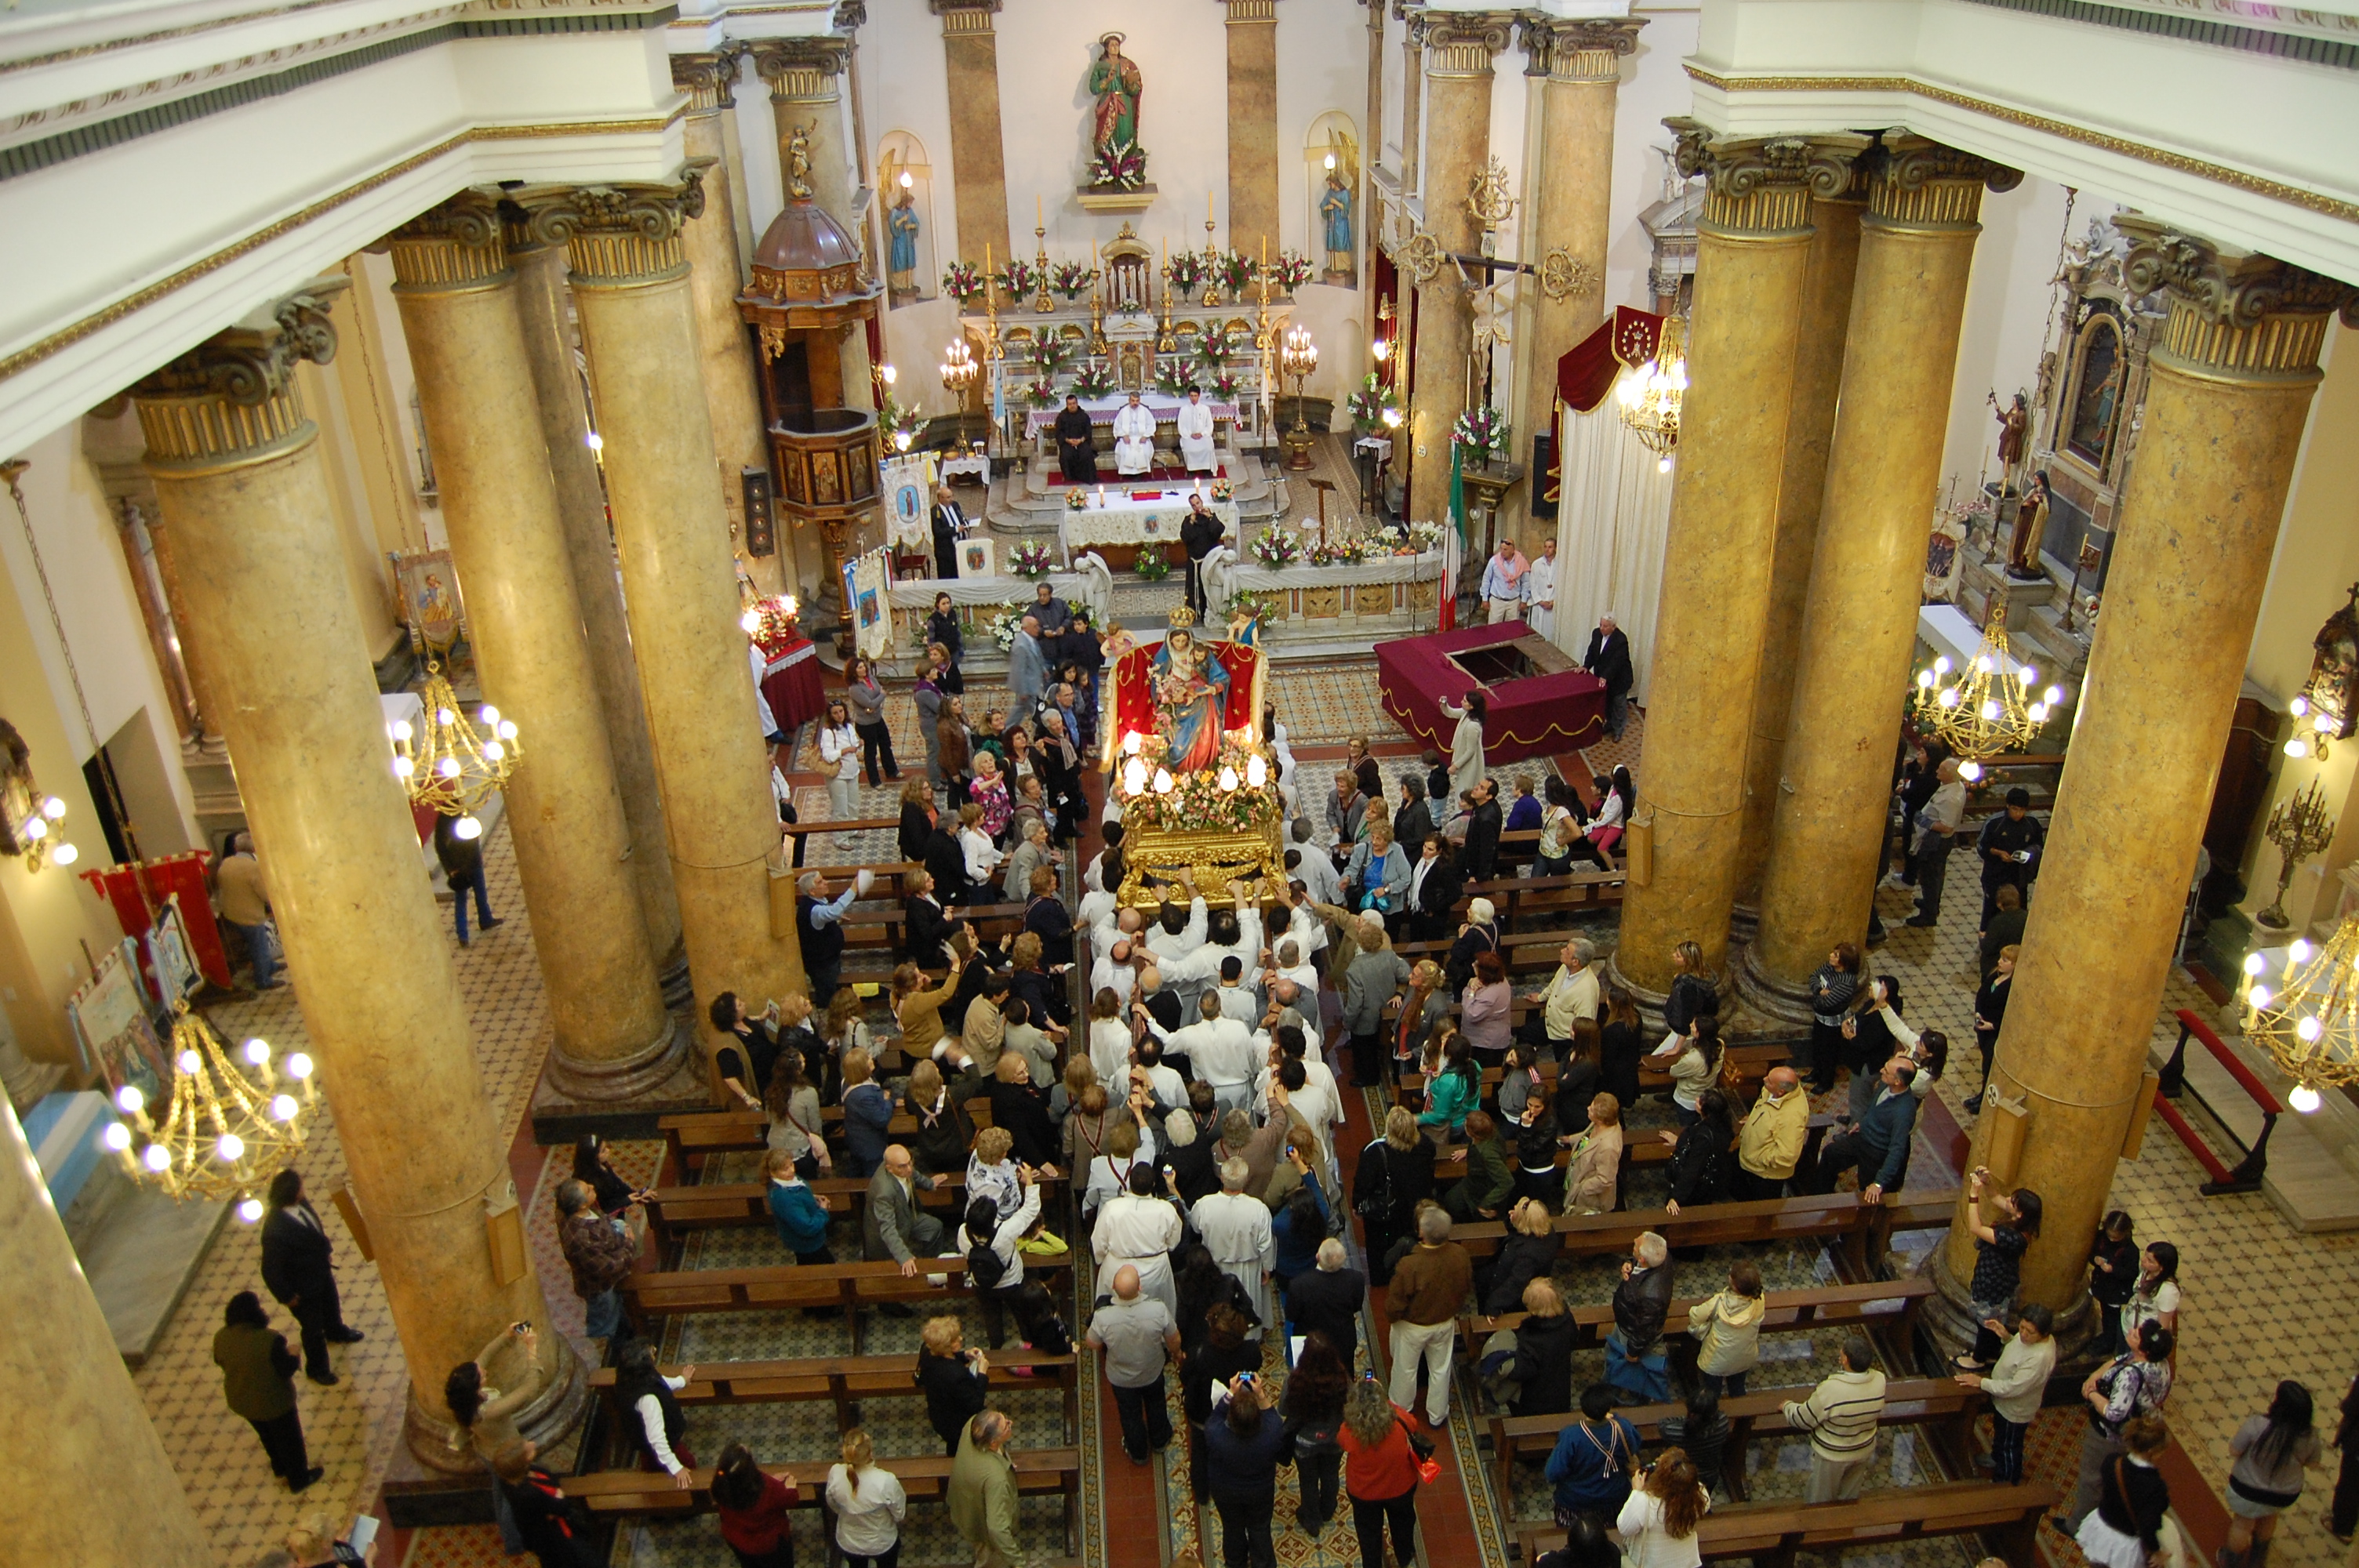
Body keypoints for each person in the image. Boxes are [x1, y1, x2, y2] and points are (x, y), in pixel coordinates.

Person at [2068, 1322, 2176, 1532]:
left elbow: (2114, 1413)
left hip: (2110, 1435)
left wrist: (2091, 1393)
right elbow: (2118, 1360)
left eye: (2138, 1335)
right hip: (2138, 1428)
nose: (2133, 1331)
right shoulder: (2160, 1363)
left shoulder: (2131, 1376)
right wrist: (2095, 1377)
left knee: (2092, 1479)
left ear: (2144, 1351)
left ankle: (2078, 1526)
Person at [261, 1169, 362, 1382]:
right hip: (303, 1289)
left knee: (332, 1305)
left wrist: (324, 1252)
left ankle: (336, 1332)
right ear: (291, 1193)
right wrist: (287, 1296)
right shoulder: (275, 1232)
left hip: (320, 1272)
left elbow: (313, 1230)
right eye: (300, 1186)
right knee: (313, 1330)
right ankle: (317, 1369)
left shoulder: (302, 1203)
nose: (304, 1188)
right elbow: (270, 1270)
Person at [214, 1290, 322, 1490]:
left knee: (267, 1435)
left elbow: (220, 1361)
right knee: (289, 1441)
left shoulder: (221, 1337)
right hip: (273, 1402)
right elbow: (286, 1369)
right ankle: (299, 1479)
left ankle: (279, 1467)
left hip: (241, 1399)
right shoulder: (270, 1340)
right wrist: (294, 1354)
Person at [1387, 1205, 1473, 1427]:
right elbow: (1465, 1287)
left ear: (1421, 1232)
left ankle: (1401, 1413)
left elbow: (1395, 1301)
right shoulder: (1460, 1255)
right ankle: (1437, 1415)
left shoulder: (1410, 1264)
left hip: (1412, 1326)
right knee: (1441, 1370)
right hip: (1444, 1322)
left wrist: (1393, 1317)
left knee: (1405, 1370)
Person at [1089, 1262, 1181, 1465]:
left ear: (1114, 1289)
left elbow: (1093, 1343)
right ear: (1140, 1287)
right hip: (1152, 1371)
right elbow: (1173, 1338)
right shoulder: (1157, 1309)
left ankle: (1138, 1451)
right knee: (1156, 1404)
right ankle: (1160, 1439)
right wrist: (1176, 1353)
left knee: (1130, 1414)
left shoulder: (1103, 1317)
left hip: (1121, 1377)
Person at [1956, 1302, 2055, 1485]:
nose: (2023, 1334)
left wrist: (1981, 1382)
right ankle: (1996, 1457)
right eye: (2022, 1327)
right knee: (2001, 1437)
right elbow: (2018, 1350)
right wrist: (2006, 1337)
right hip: (2003, 1403)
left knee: (2010, 1446)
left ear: (2044, 1333)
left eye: (2030, 1332)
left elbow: (2013, 1388)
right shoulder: (2028, 1340)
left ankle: (2006, 1481)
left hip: (2015, 1410)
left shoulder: (2040, 1358)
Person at [1955, 1169, 2041, 1371]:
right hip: (1993, 1276)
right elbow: (1995, 1197)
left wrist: (1974, 1195)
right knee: (1990, 1323)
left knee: (1986, 1324)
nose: (2008, 1201)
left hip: (1994, 1284)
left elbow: (1976, 1228)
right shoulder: (2018, 1221)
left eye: (2013, 1202)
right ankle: (1991, 1354)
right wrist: (1987, 1182)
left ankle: (1978, 1359)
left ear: (2020, 1214)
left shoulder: (2015, 1238)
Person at [1785, 1335, 1886, 1501]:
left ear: (1845, 1359)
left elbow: (1804, 1419)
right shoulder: (1880, 1380)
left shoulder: (1832, 1389)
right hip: (1863, 1449)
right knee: (1849, 1498)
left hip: (1833, 1455)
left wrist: (1787, 1407)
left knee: (1821, 1499)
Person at [1205, 1373, 1291, 1568]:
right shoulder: (1272, 1433)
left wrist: (1230, 1393)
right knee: (1259, 1528)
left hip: (1225, 1490)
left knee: (1232, 1527)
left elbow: (1214, 1418)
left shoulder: (1216, 1435)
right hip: (1259, 1490)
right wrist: (1260, 1394)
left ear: (1231, 1419)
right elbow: (1273, 1417)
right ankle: (1263, 1564)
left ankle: (1235, 1563)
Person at [1339, 1377, 1424, 1568]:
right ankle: (1404, 1557)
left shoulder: (1349, 1431)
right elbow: (1413, 1423)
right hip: (1400, 1487)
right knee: (1403, 1526)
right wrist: (1388, 1403)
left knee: (1368, 1534)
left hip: (1364, 1493)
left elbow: (1342, 1443)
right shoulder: (1399, 1421)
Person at [1806, 1054, 1917, 1203]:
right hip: (1863, 1137)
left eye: (1886, 1071)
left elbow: (1897, 1150)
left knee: (1869, 1193)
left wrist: (1879, 1183)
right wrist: (1863, 1123)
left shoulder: (1903, 1112)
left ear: (1898, 1081)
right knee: (1831, 1154)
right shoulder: (1885, 1085)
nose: (1881, 1071)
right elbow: (1873, 1107)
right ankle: (1818, 1200)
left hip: (1878, 1152)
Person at [2075, 1415, 2173, 1568]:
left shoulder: (2113, 1461)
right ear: (2152, 1451)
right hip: (2125, 1543)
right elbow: (2148, 1524)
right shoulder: (2155, 1486)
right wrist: (2156, 1551)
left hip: (2102, 1528)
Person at [1283, 1332, 1352, 1537]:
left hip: (1305, 1443)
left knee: (1308, 1481)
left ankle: (1312, 1520)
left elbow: (1284, 1409)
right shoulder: (1342, 1379)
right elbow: (1351, 1405)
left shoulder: (1294, 1381)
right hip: (1335, 1439)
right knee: (1331, 1475)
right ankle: (1328, 1509)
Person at [1548, 1381, 1641, 1526]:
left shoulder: (1571, 1435)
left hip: (1576, 1503)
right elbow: (1635, 1445)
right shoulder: (1623, 1427)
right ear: (1609, 1408)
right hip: (1614, 1498)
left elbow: (1552, 1473)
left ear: (1583, 1409)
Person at [492, 1443, 598, 1568]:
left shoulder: (518, 1475)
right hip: (551, 1538)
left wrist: (555, 1502)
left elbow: (553, 1482)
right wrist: (558, 1497)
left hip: (550, 1525)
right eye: (527, 1451)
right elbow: (562, 1507)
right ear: (523, 1463)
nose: (532, 1444)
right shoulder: (528, 1493)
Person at [948, 1411, 1025, 1568]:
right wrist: (1019, 1563)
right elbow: (997, 1529)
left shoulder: (972, 1425)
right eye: (1006, 1426)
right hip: (980, 1521)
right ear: (992, 1442)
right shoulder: (997, 1478)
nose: (1011, 1423)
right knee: (989, 1557)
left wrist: (1005, 1460)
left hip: (966, 1499)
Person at [1605, 1231, 1674, 1403]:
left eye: (1636, 1245)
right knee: (1613, 1354)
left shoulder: (1652, 1296)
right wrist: (1630, 1262)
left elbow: (1645, 1327)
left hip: (1632, 1333)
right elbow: (1640, 1260)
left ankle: (1633, 1396)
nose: (1634, 1240)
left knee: (1631, 1368)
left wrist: (1633, 1351)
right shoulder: (1661, 1256)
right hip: (1627, 1321)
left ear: (1643, 1259)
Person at [612, 1339, 696, 1479]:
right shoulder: (648, 1399)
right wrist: (677, 1468)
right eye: (651, 1352)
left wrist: (682, 1380)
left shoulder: (629, 1376)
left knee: (651, 1465)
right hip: (662, 1441)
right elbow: (657, 1438)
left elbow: (660, 1382)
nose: (655, 1351)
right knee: (688, 1464)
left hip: (642, 1438)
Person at [827, 1428, 908, 1568]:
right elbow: (899, 1513)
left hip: (850, 1541)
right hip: (881, 1540)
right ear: (870, 1453)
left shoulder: (836, 1473)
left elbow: (832, 1502)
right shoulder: (885, 1480)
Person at [1616, 1448, 1710, 1568]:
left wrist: (1636, 1492)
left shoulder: (1645, 1501)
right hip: (1687, 1562)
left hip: (1653, 1563)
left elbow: (1624, 1528)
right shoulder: (1699, 1495)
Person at [711, 1441, 798, 1568]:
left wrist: (771, 1480)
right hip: (768, 1546)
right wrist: (790, 1489)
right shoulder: (768, 1488)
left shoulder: (721, 1485)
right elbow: (790, 1500)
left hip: (737, 1540)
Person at [1687, 1261, 1765, 1399]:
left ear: (1733, 1284)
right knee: (1738, 1388)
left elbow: (1695, 1316)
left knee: (1712, 1394)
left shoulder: (1718, 1303)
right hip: (1744, 1355)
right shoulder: (1759, 1299)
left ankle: (1714, 1410)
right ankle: (1741, 1409)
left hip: (1715, 1361)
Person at [914, 1316, 991, 1456]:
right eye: (955, 1340)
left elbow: (943, 1359)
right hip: (957, 1423)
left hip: (939, 1414)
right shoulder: (956, 1375)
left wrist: (964, 1355)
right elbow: (975, 1403)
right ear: (946, 1346)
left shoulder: (927, 1351)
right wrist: (982, 1373)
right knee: (960, 1448)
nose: (961, 1339)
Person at [215, 831, 282, 989]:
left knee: (258, 944)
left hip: (231, 912)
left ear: (236, 847)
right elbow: (264, 893)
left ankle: (270, 966)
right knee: (259, 947)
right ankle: (263, 980)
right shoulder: (253, 867)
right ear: (254, 849)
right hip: (249, 915)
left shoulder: (227, 863)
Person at [1903, 757, 1966, 927]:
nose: (1937, 771)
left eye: (1942, 770)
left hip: (1936, 842)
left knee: (1929, 877)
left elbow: (1946, 826)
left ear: (1951, 774)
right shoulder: (1952, 786)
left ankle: (1929, 915)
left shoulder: (1951, 798)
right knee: (1935, 874)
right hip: (1938, 839)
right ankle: (1930, 903)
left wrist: (1923, 821)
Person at [1732, 1066, 1808, 1201]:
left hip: (1764, 1173)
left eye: (1769, 1081)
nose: (1764, 1079)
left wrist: (1760, 1159)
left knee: (1759, 1204)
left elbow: (1788, 1155)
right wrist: (1754, 1118)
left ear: (1781, 1091)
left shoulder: (1791, 1118)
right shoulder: (1772, 1090)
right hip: (1749, 1156)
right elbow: (1764, 1107)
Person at [1288, 1239, 1367, 1367]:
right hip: (1343, 1342)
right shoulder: (1356, 1279)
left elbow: (1291, 1315)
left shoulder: (1299, 1284)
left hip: (1312, 1344)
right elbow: (1357, 1306)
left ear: (1317, 1257)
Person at [1976, 786, 2044, 923]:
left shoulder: (2032, 823)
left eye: (2022, 810)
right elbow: (1981, 846)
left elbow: (2039, 845)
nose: (2018, 814)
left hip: (2019, 875)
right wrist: (1999, 853)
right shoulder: (1995, 822)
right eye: (2014, 809)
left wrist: (2027, 854)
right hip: (1995, 874)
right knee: (1991, 912)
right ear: (2008, 806)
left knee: (2018, 913)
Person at [434, 811, 501, 945]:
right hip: (460, 867)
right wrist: (451, 869)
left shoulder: (461, 817)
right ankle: (463, 934)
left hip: (469, 863)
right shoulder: (446, 819)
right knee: (463, 899)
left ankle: (483, 921)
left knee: (479, 895)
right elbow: (441, 845)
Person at [1662, 1087, 1732, 1213]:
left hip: (1698, 1186)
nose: (1696, 1099)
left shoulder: (1703, 1137)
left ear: (1706, 1112)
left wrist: (1675, 1197)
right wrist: (1679, 1141)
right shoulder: (1722, 1123)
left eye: (1700, 1101)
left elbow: (1693, 1169)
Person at [1805, 943, 1862, 1094]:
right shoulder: (1829, 967)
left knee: (1828, 1052)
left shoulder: (1847, 982)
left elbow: (1826, 1003)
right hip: (1820, 1017)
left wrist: (1816, 997)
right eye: (1834, 952)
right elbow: (1813, 976)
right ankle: (1816, 1072)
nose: (1831, 955)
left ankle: (1826, 1081)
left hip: (1833, 1021)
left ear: (1844, 963)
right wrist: (1819, 990)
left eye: (1836, 955)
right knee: (1817, 1046)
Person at [1967, 945, 2016, 1116]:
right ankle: (1980, 1095)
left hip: (1994, 1034)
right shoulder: (1995, 975)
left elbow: (2010, 1014)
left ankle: (1984, 1101)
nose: (2000, 962)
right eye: (2001, 958)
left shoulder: (2012, 987)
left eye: (2005, 960)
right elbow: (1981, 994)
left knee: (1989, 1067)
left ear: (2015, 965)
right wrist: (1978, 1013)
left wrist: (1993, 1025)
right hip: (1983, 1029)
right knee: (1985, 1064)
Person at [1662, 1388, 1732, 1501]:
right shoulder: (1723, 1422)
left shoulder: (1672, 1431)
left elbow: (1663, 1423)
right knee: (1702, 1501)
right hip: (1709, 1475)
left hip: (1681, 1477)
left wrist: (1685, 1419)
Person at [1442, 1109, 1512, 1223]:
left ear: (1472, 1133)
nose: (1464, 1124)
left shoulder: (1488, 1155)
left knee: (1458, 1207)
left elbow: (1507, 1182)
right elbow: (1482, 1143)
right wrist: (1468, 1151)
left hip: (1483, 1191)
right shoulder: (1489, 1132)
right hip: (1472, 1182)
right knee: (1450, 1200)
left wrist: (1486, 1204)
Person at [765, 1148, 832, 1265]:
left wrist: (811, 1198)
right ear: (773, 1173)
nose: (792, 1171)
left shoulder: (789, 1180)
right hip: (807, 1245)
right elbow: (807, 1227)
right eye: (785, 1169)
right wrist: (823, 1210)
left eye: (791, 1164)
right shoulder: (784, 1199)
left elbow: (799, 1194)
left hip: (809, 1241)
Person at [2087, 1210, 2139, 1359]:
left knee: (2111, 1317)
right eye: (2109, 1235)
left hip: (2116, 1291)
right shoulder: (2101, 1238)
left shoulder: (2130, 1251)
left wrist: (2113, 1270)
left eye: (2115, 1237)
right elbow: (2091, 1252)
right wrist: (2095, 1259)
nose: (2111, 1239)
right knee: (2105, 1314)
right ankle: (2106, 1337)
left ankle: (2109, 1342)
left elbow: (2131, 1273)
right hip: (2101, 1284)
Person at [1563, 1091, 1623, 1216]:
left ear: (1600, 1119)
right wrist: (1570, 1139)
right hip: (1577, 1175)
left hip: (1589, 1196)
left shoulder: (1608, 1147)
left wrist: (1583, 1189)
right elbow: (1587, 1136)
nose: (1588, 1108)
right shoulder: (1599, 1123)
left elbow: (1605, 1179)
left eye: (1591, 1109)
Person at [845, 655, 898, 787]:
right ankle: (875, 781)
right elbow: (871, 702)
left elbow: (877, 694)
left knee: (885, 744)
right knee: (871, 753)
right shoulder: (854, 689)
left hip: (877, 718)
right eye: (860, 668)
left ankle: (892, 771)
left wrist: (874, 703)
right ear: (853, 671)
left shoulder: (871, 678)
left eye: (864, 666)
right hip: (866, 724)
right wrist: (881, 697)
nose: (864, 669)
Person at [2120, 1240, 2181, 1348]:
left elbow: (2162, 1327)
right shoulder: (2146, 1271)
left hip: (2139, 1339)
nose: (2143, 1260)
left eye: (2150, 1260)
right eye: (2145, 1256)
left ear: (2161, 1267)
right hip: (2126, 1323)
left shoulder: (2168, 1291)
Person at [1582, 615, 1633, 740]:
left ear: (1613, 627)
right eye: (1601, 625)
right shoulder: (1596, 634)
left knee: (1618, 705)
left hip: (1619, 679)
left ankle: (1618, 730)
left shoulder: (1621, 640)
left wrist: (1605, 676)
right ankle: (1609, 724)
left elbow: (1616, 662)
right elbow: (1592, 652)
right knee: (1607, 702)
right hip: (1603, 677)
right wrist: (1586, 666)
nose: (1601, 628)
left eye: (1605, 626)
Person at [1183, 492, 1227, 617]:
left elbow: (1217, 532)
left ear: (1201, 502)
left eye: (1198, 503)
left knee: (1209, 588)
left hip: (1209, 561)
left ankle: (1210, 612)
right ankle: (1194, 612)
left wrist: (1211, 518)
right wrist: (1191, 522)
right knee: (1194, 588)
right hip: (1195, 563)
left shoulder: (1210, 517)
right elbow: (1186, 538)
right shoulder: (1188, 520)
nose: (1197, 506)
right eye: (1193, 505)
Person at [1439, 690, 1487, 804]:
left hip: (1470, 764)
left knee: (1465, 790)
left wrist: (1455, 766)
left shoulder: (1472, 726)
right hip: (1462, 758)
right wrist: (1444, 704)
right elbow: (1451, 713)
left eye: (1465, 701)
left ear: (1471, 706)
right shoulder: (1466, 713)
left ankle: (1463, 812)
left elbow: (1470, 751)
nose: (1461, 702)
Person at [817, 699, 863, 818]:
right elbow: (827, 756)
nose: (839, 715)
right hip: (838, 775)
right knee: (840, 810)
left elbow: (854, 745)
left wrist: (859, 745)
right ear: (830, 715)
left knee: (854, 805)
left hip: (853, 771)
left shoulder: (849, 727)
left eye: (841, 711)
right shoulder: (828, 732)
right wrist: (845, 751)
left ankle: (853, 826)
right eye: (835, 713)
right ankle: (841, 831)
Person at [1481, 535, 1528, 622]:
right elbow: (1486, 579)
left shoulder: (1521, 562)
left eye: (1505, 549)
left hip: (1514, 602)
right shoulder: (1494, 561)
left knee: (1511, 628)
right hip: (1497, 601)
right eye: (1501, 549)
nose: (1502, 552)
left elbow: (1526, 582)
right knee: (1494, 628)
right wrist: (1484, 599)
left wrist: (1524, 600)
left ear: (1512, 550)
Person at [1053, 392, 1098, 483]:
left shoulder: (1084, 416)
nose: (1072, 406)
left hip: (1081, 441)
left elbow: (1088, 431)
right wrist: (1068, 440)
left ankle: (1087, 477)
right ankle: (1069, 477)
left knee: (1086, 453)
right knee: (1066, 455)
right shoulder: (1061, 417)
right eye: (1070, 404)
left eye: (1074, 403)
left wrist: (1081, 440)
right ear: (1067, 405)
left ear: (1077, 403)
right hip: (1067, 442)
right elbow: (1059, 432)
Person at [1110, 389, 1156, 475]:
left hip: (1142, 438)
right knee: (1124, 452)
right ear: (1129, 400)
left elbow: (1151, 424)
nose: (1135, 403)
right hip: (1127, 438)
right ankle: (1127, 473)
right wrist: (1123, 435)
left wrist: (1145, 436)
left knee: (1145, 452)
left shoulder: (1145, 411)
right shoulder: (1123, 411)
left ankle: (1140, 473)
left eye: (1137, 401)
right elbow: (1117, 425)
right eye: (1133, 401)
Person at [1526, 535, 1559, 639]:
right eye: (1545, 547)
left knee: (1550, 634)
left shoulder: (1560, 564)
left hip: (1553, 604)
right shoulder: (1536, 564)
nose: (1547, 549)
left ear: (1555, 548)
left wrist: (1554, 601)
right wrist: (1540, 601)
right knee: (1537, 632)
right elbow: (1532, 585)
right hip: (1539, 604)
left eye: (1550, 547)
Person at [932, 485, 969, 578]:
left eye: (951, 496)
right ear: (940, 498)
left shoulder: (955, 505)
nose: (951, 499)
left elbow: (961, 518)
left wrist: (966, 524)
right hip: (946, 551)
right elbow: (938, 532)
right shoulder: (935, 512)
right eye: (948, 497)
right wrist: (955, 530)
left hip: (959, 547)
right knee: (947, 576)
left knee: (960, 574)